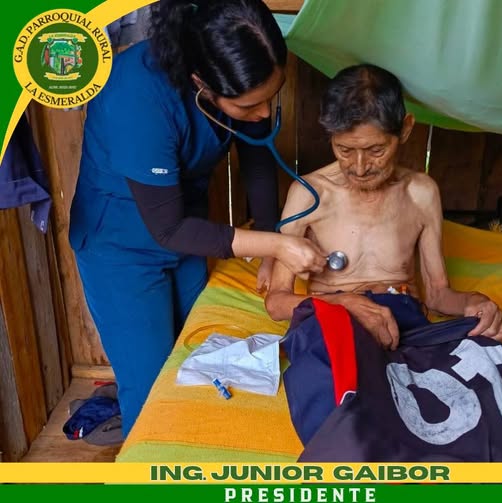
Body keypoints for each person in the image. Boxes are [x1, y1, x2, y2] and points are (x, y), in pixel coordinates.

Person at [68, 0, 327, 437]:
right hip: (121, 246)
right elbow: (168, 228)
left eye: (272, 96)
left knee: (199, 359)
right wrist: (279, 245)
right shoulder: (136, 96)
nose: (265, 113)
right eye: (250, 105)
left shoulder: (238, 76)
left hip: (190, 235)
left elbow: (257, 155)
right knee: (149, 387)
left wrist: (269, 243)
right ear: (200, 83)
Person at [265, 63, 502, 349]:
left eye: (376, 150)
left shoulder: (421, 193)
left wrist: (474, 302)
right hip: (333, 317)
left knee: (486, 356)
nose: (359, 168)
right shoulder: (308, 194)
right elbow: (277, 303)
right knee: (341, 370)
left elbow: (438, 296)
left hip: (405, 321)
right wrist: (343, 304)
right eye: (345, 150)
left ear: (405, 129)